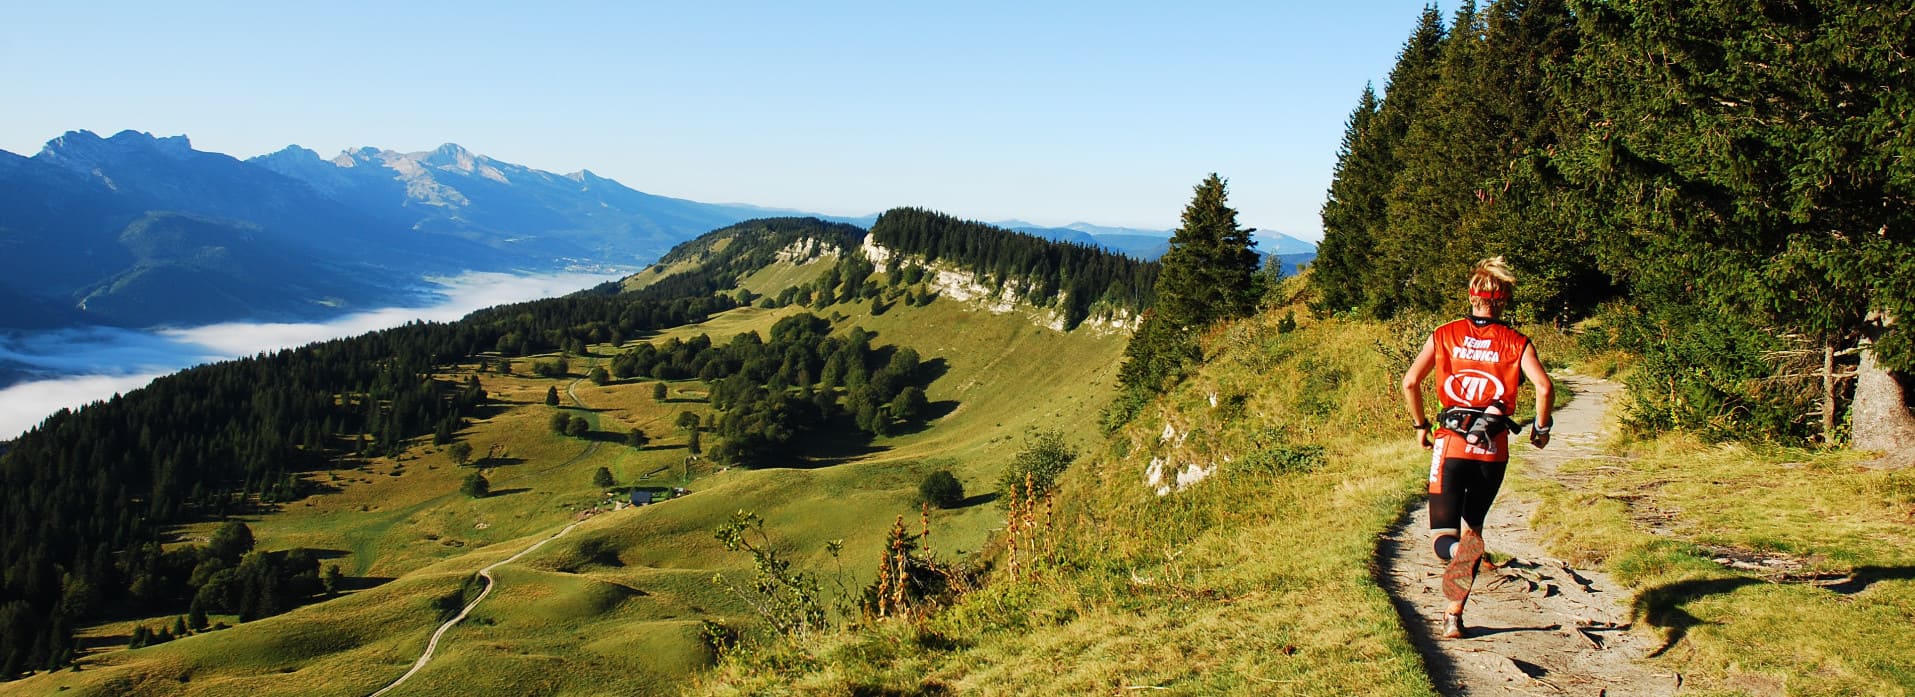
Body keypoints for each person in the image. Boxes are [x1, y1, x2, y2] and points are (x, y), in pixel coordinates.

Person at [1399, 256, 1553, 639]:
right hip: (1493, 450)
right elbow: (1545, 388)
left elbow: (1410, 382)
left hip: (1451, 444)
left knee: (1443, 541)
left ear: (1472, 297)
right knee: (1473, 530)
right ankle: (1453, 616)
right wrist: (1541, 427)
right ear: (1504, 301)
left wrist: (1420, 425)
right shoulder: (1517, 343)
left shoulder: (1444, 334)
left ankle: (1456, 561)